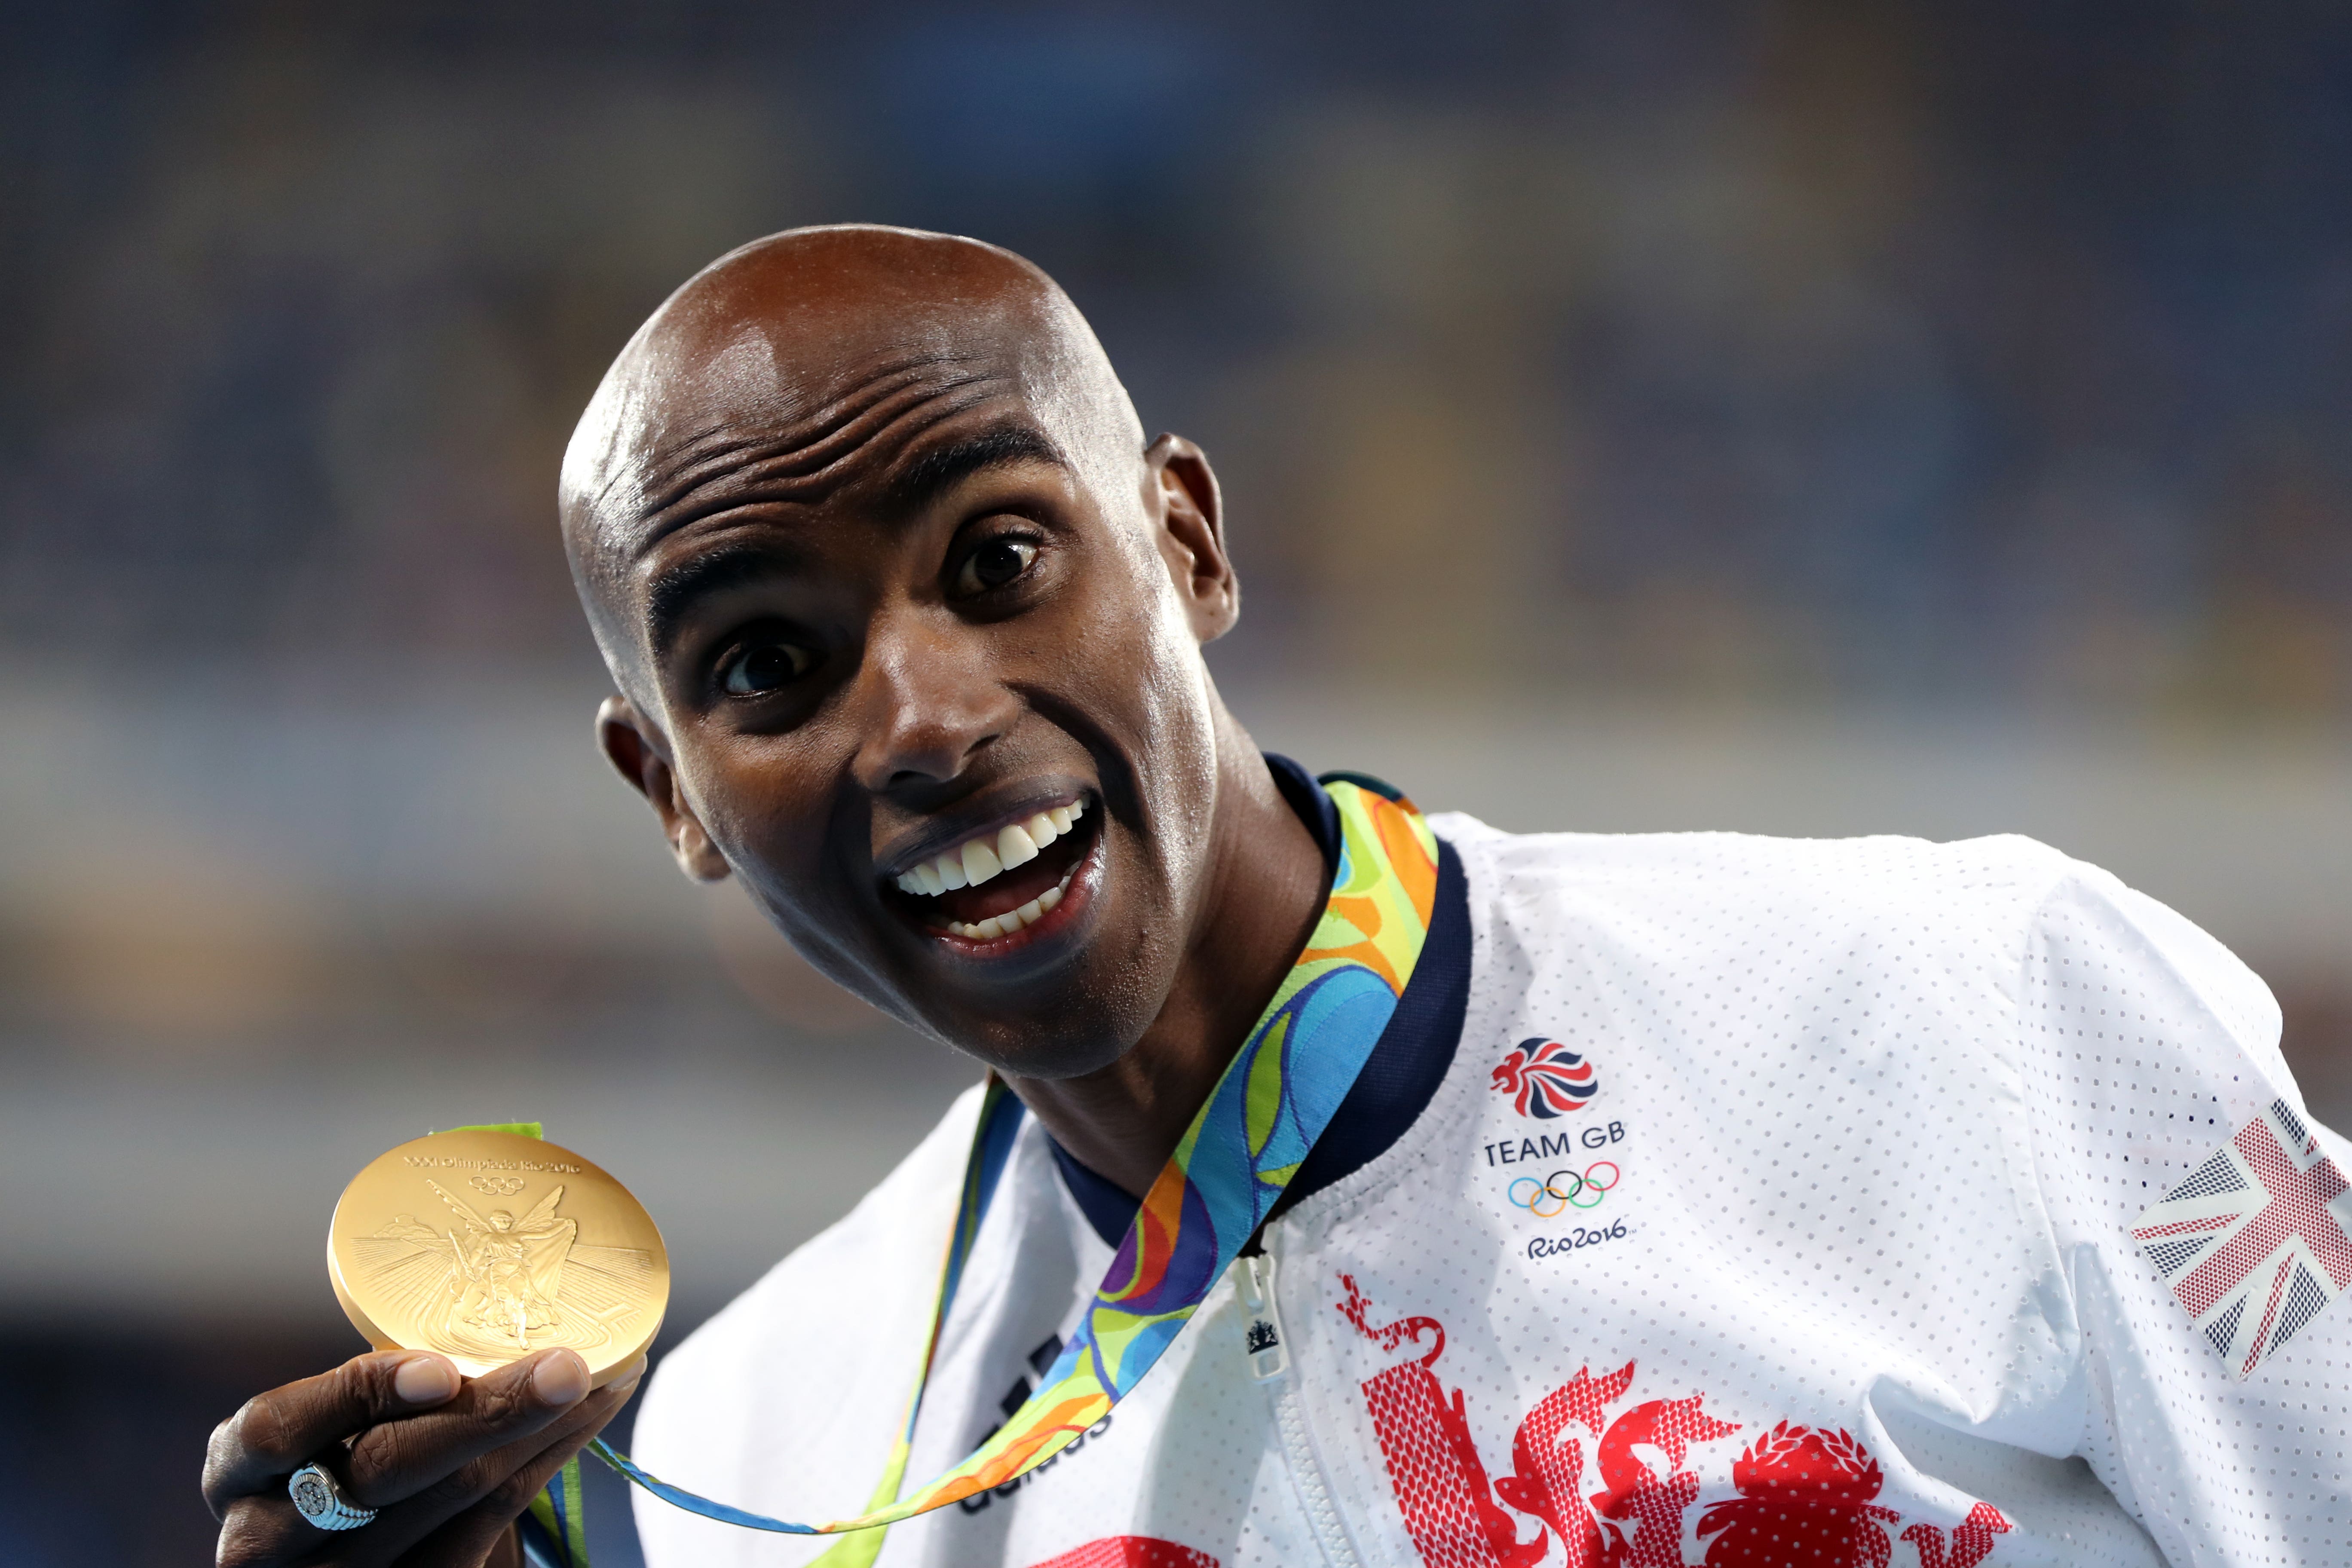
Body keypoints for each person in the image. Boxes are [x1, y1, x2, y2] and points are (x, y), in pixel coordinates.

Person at [206, 226, 2352, 1568]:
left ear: (1192, 547)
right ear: (670, 793)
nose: (927, 717)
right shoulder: (776, 1451)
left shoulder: (1970, 1013)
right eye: (767, 667)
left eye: (1001, 558)